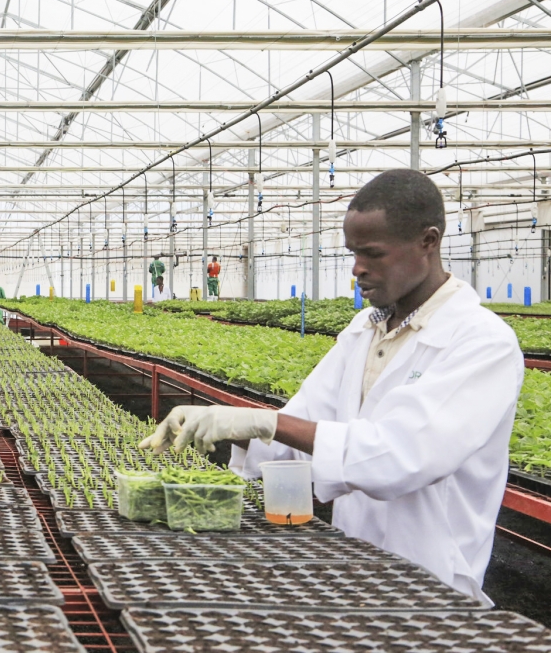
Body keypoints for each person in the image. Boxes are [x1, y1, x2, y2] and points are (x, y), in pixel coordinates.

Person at [140, 170, 522, 604]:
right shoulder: (365, 329)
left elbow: (400, 456)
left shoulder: (480, 341)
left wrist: (263, 421)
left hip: (432, 580)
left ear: (428, 242)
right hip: (351, 564)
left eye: (372, 254)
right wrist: (236, 427)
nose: (357, 268)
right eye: (353, 253)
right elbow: (303, 420)